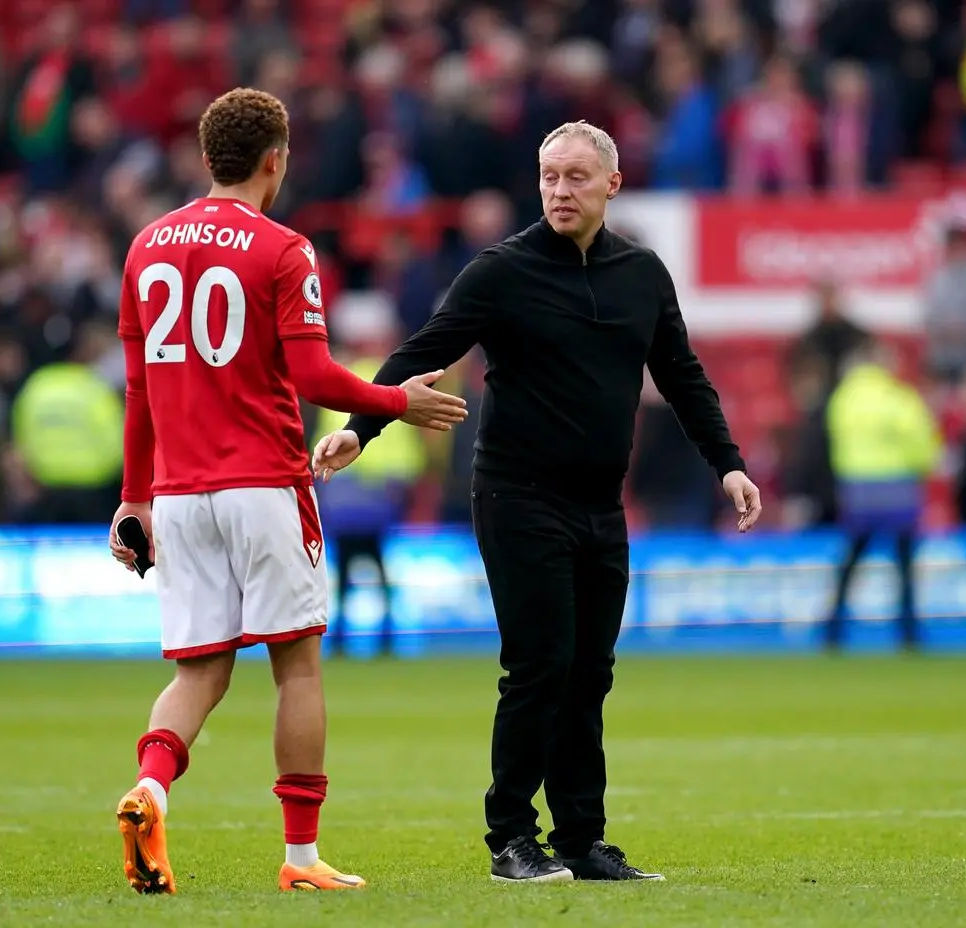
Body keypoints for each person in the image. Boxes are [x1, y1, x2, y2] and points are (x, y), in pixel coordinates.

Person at [313, 121, 762, 884]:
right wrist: (363, 426)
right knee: (539, 666)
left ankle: (583, 839)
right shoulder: (502, 271)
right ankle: (511, 839)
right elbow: (422, 351)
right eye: (550, 176)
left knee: (590, 671)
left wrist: (728, 464)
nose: (559, 189)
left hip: (599, 502)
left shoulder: (643, 274)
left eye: (577, 177)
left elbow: (684, 377)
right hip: (517, 495)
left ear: (612, 185)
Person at [107, 88, 467, 895]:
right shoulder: (284, 249)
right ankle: (301, 859)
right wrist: (396, 399)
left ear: (206, 159)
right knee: (297, 668)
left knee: (198, 673)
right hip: (264, 482)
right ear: (278, 159)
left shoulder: (145, 248)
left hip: (179, 492)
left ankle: (150, 788)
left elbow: (137, 389)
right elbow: (309, 374)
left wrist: (136, 499)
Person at [823, 337, 941, 651]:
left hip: (858, 490)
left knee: (850, 562)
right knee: (903, 565)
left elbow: (835, 443)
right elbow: (923, 443)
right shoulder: (900, 398)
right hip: (899, 490)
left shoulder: (843, 399)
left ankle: (833, 628)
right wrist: (921, 466)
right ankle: (908, 633)